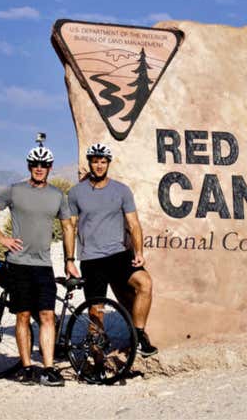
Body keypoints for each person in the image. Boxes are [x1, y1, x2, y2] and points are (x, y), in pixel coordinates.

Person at [0, 138, 72, 386]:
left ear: (50, 167)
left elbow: (67, 226)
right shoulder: (15, 190)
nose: (39, 168)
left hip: (43, 265)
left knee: (47, 315)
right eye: (35, 164)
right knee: (22, 315)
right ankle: (28, 367)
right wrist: (1, 238)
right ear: (29, 165)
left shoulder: (57, 196)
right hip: (18, 263)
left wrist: (70, 260)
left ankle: (49, 368)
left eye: (44, 164)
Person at [64, 143, 158, 358]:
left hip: (118, 254)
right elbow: (70, 227)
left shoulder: (121, 190)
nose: (99, 165)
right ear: (90, 163)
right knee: (96, 312)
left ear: (108, 164)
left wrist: (139, 252)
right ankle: (96, 360)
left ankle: (138, 335)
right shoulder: (76, 193)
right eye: (95, 161)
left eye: (103, 161)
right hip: (92, 259)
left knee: (145, 283)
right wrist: (69, 259)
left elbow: (134, 224)